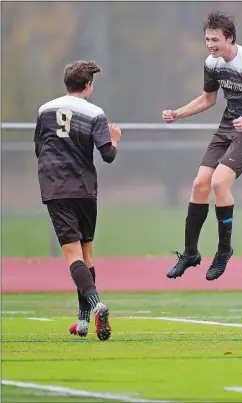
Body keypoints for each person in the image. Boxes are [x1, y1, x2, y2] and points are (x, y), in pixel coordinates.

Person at [162, 11, 242, 281]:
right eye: (207, 39)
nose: (210, 44)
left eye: (215, 39)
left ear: (230, 38)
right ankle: (191, 253)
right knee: (199, 184)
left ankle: (223, 250)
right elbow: (208, 100)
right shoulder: (212, 63)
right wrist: (178, 114)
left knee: (219, 183)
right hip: (228, 128)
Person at [34, 60, 121, 341]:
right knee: (87, 255)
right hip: (85, 188)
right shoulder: (96, 113)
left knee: (73, 257)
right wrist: (115, 139)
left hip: (56, 187)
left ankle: (96, 305)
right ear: (88, 85)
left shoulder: (45, 110)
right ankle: (83, 321)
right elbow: (108, 155)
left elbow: (39, 148)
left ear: (66, 83)